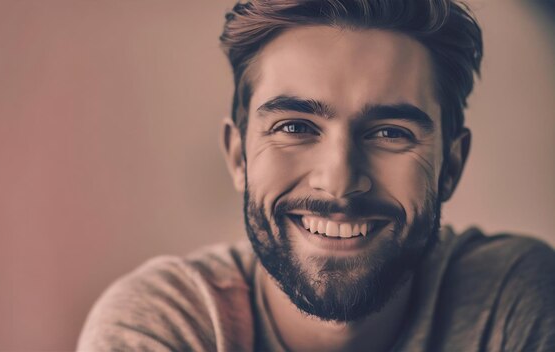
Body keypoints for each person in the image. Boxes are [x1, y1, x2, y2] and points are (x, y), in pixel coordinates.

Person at [77, 0, 555, 351]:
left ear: (451, 166)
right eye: (295, 127)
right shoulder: (164, 326)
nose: (340, 181)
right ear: (239, 156)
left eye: (390, 132)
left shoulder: (513, 302)